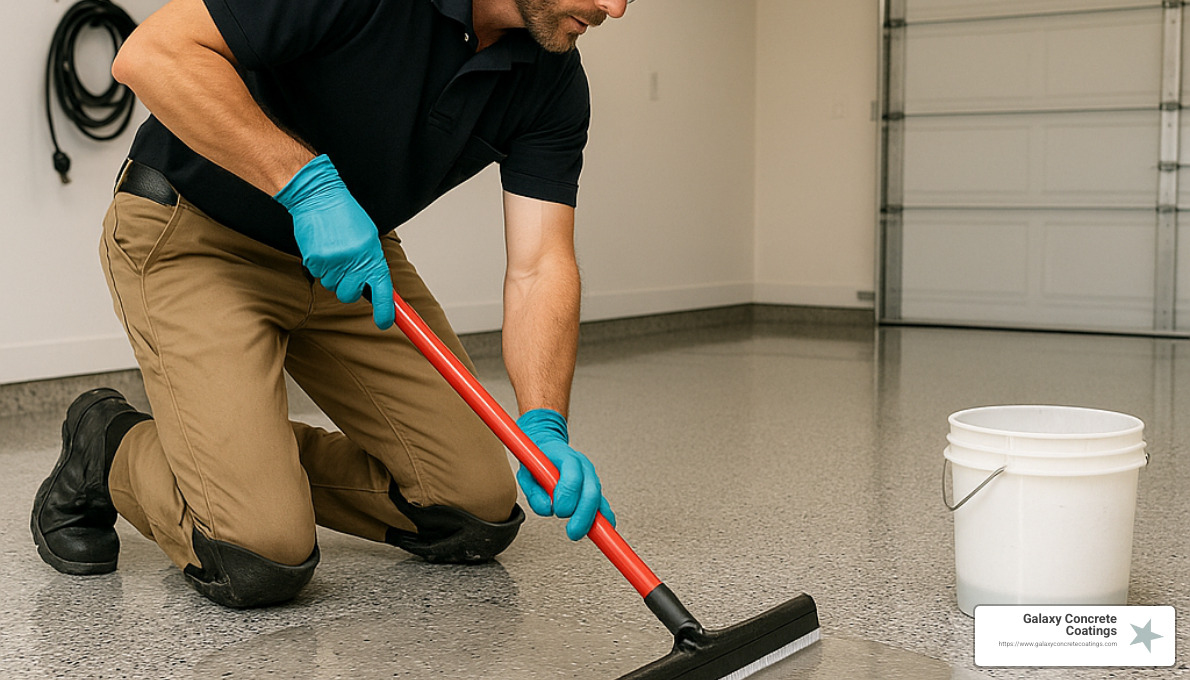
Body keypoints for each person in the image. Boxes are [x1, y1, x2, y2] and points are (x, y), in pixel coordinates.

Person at [30, 0, 626, 608]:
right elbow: (152, 54)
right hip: (197, 234)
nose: (617, 7)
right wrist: (307, 187)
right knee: (259, 556)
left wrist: (544, 423)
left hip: (350, 261)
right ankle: (109, 443)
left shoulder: (553, 80)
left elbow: (540, 264)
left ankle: (246, 466)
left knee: (477, 509)